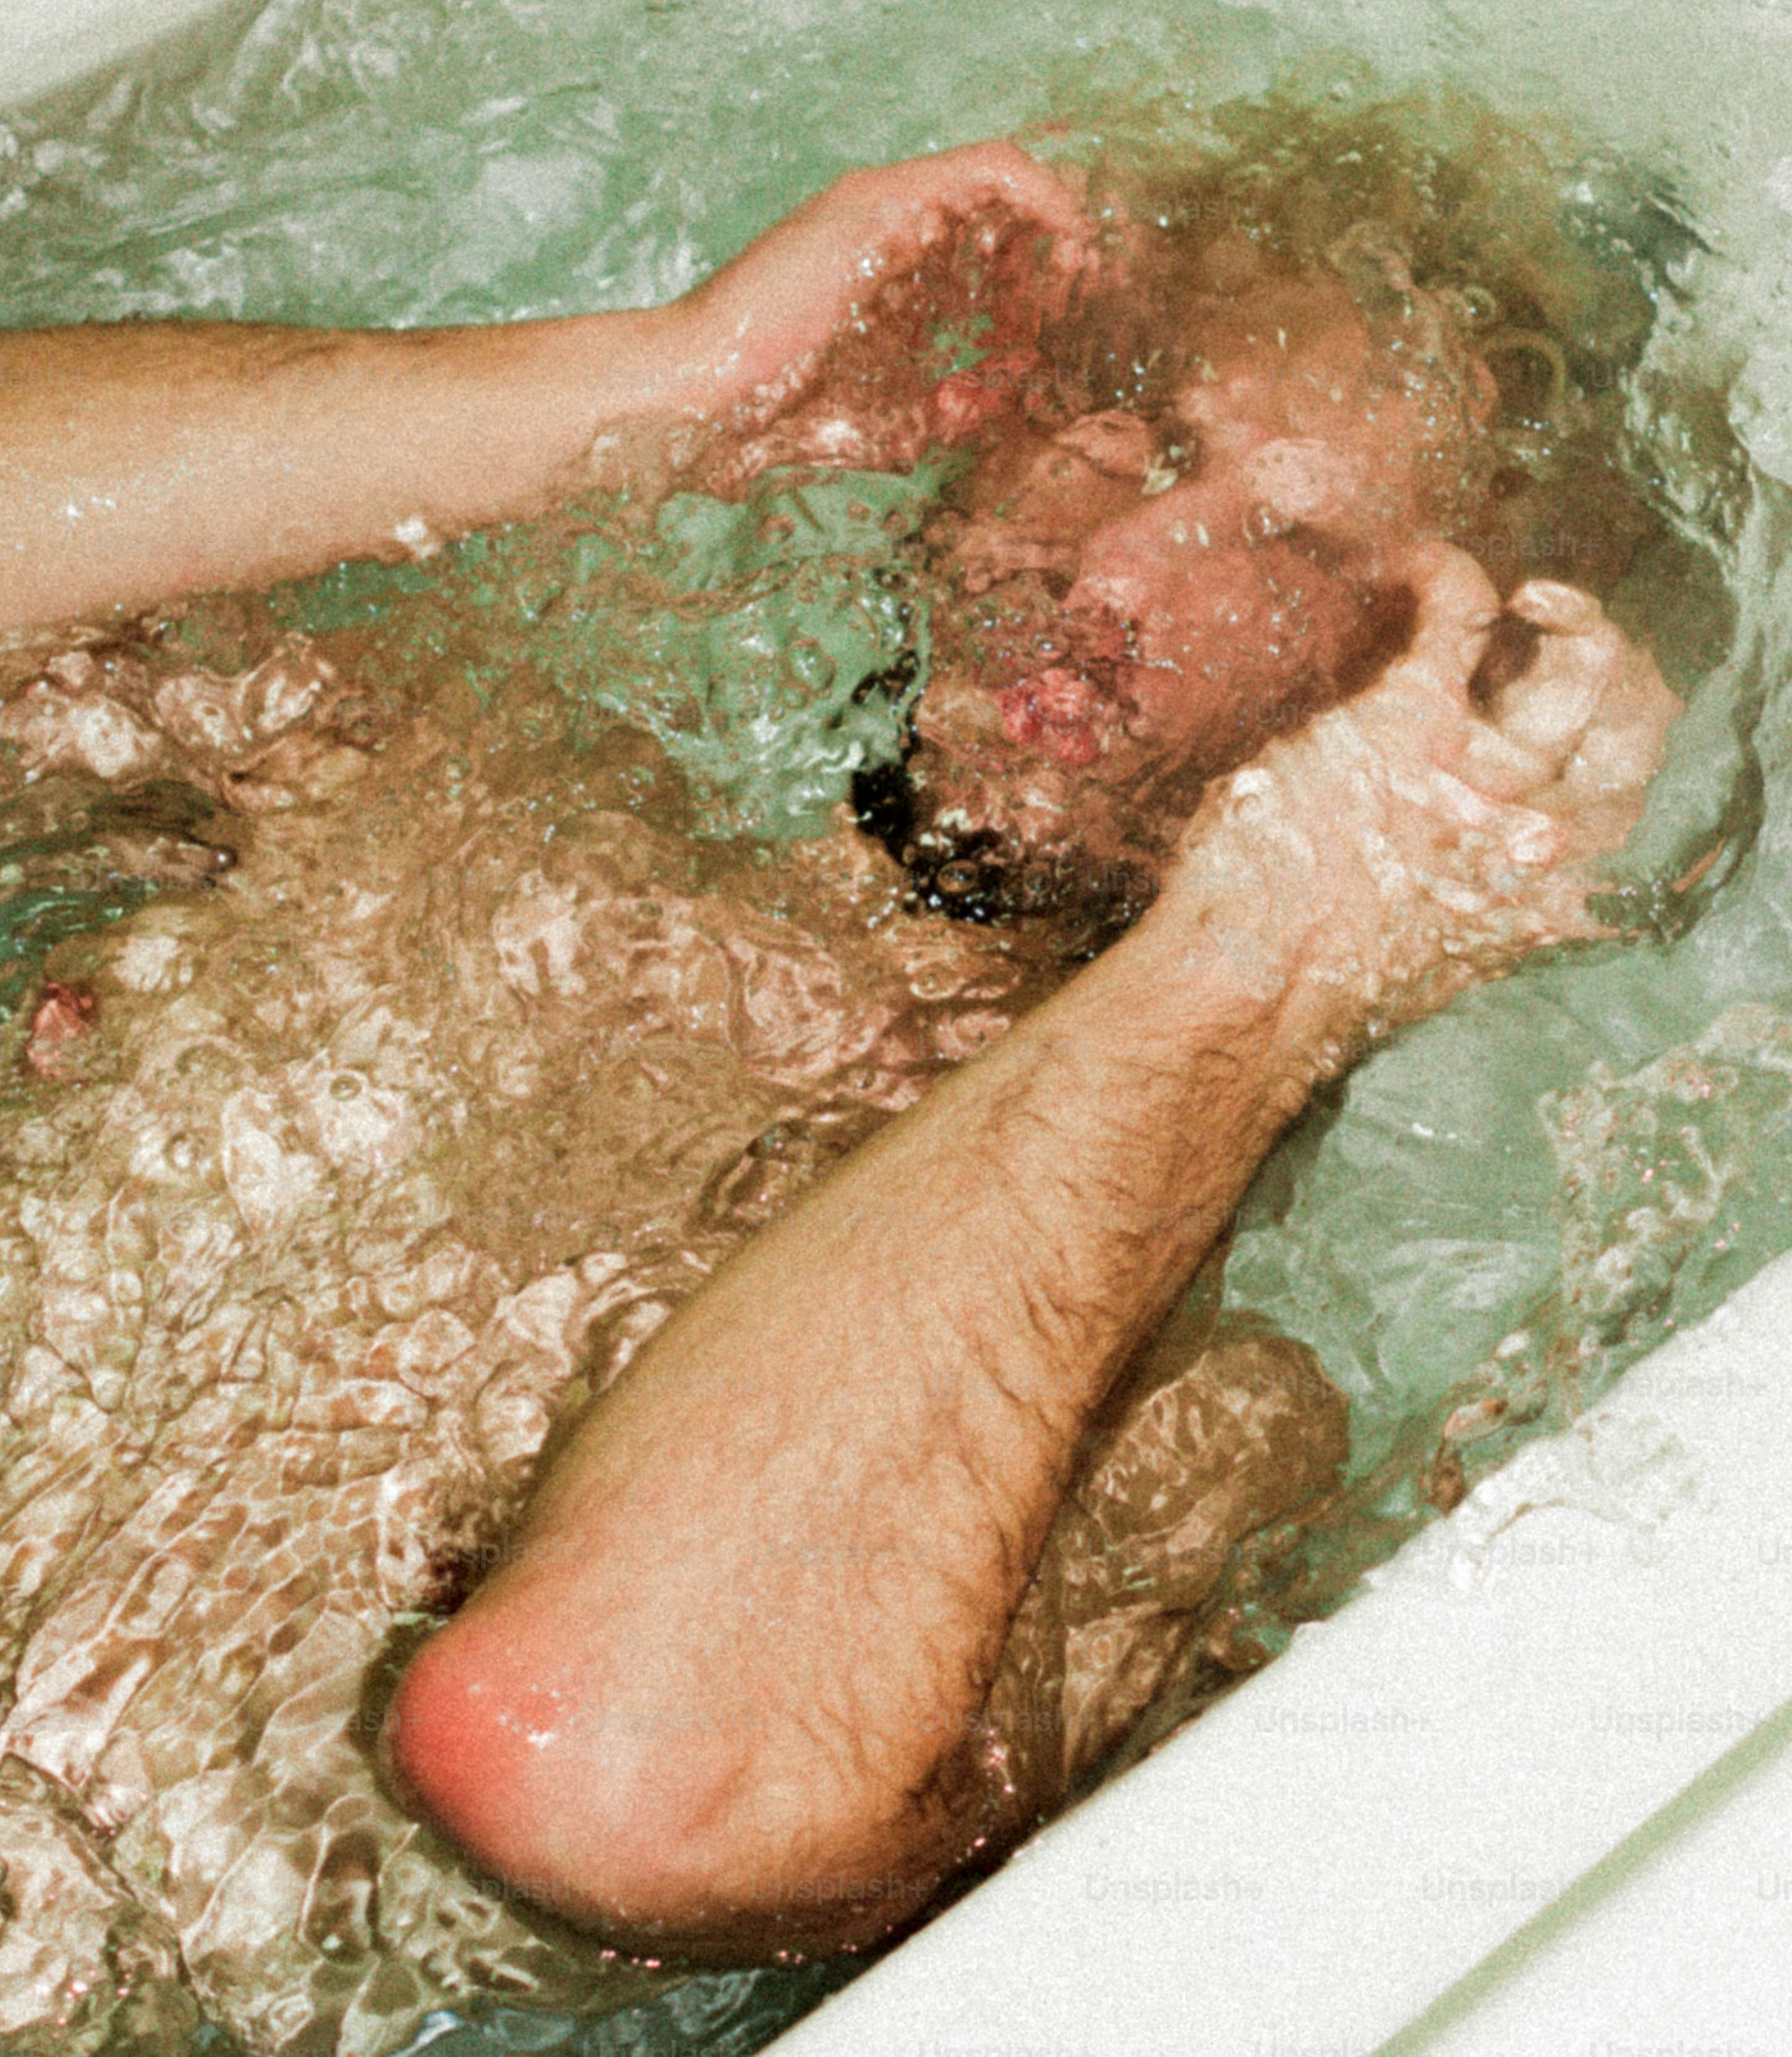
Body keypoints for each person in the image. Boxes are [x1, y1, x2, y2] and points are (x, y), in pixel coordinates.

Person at [0, 141, 1679, 1975]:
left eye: (1295, 545)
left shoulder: (1168, 1435)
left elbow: (614, 1773)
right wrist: (655, 387)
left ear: (1447, 711)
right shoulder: (404, 777)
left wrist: (1278, 962)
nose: (1117, 564)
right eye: (1134, 437)